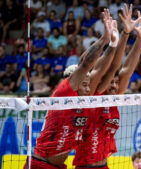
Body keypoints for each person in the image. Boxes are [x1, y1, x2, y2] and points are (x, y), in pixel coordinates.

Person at [25, 9, 117, 169]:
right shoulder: (62, 94)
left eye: (89, 84)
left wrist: (114, 44)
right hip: (40, 163)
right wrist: (104, 39)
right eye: (84, 84)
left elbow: (101, 69)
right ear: (73, 82)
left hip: (59, 166)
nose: (89, 87)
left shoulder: (85, 102)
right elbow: (85, 64)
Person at [73, 7, 141, 169]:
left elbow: (126, 70)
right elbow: (112, 67)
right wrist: (123, 35)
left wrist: (140, 39)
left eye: (116, 83)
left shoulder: (115, 96)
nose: (114, 85)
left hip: (104, 165)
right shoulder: (93, 94)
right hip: (84, 166)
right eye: (111, 82)